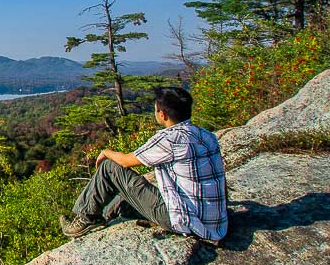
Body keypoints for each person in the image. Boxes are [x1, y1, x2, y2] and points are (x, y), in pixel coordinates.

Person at [59, 86, 228, 243]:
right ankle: (106, 215)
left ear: (162, 115)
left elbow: (125, 161)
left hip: (184, 221)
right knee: (121, 199)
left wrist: (106, 152)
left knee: (109, 168)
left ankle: (86, 218)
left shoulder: (169, 139)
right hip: (216, 222)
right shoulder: (207, 136)